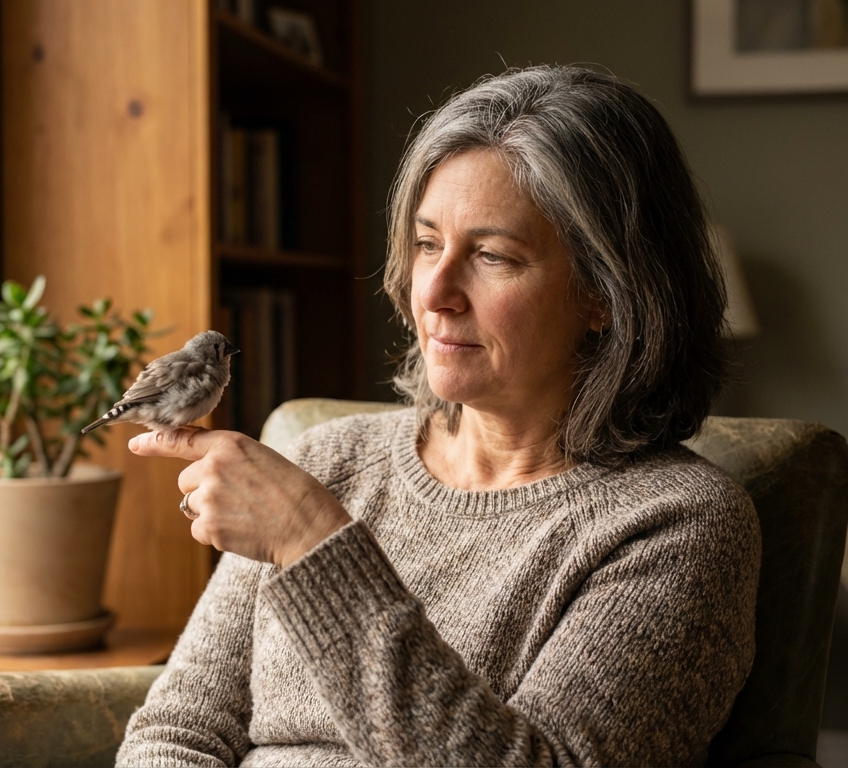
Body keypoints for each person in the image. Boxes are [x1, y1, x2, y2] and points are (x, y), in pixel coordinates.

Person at [115, 64, 758, 767]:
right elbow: (176, 731)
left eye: (491, 255)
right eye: (426, 245)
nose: (435, 292)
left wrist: (313, 543)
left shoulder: (676, 525)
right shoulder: (327, 460)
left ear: (606, 294)